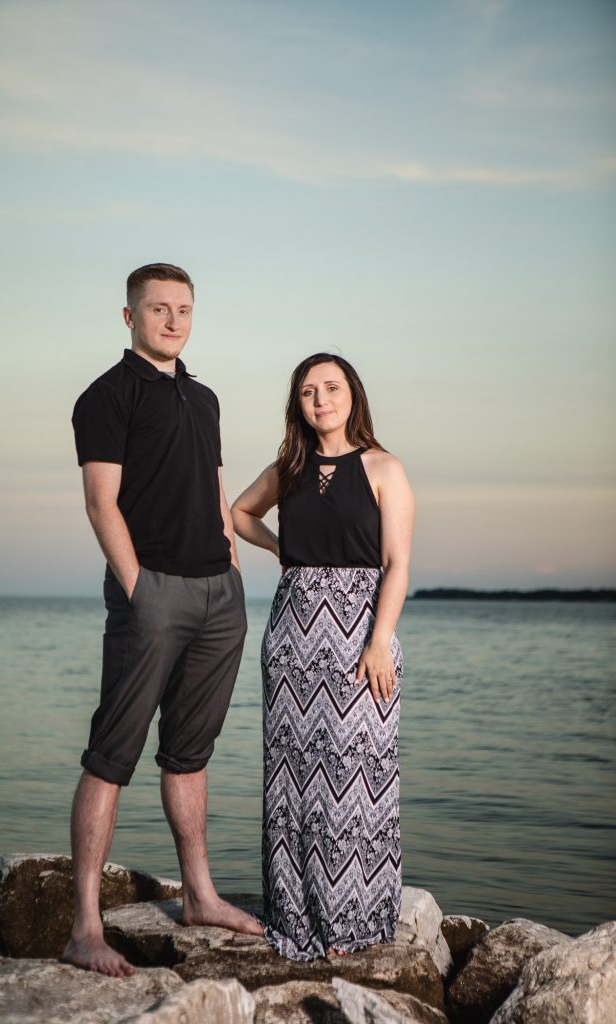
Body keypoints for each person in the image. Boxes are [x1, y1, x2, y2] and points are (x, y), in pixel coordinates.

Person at [63, 262, 262, 978]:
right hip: (151, 595)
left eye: (183, 309)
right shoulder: (106, 396)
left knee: (191, 751)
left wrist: (232, 568)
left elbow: (213, 489)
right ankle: (85, 928)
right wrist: (138, 586)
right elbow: (100, 502)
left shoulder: (202, 399)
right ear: (129, 317)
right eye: (158, 310)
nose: (174, 321)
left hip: (217, 597)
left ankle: (200, 896)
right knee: (112, 752)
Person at [231, 352, 415, 961]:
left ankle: (354, 919)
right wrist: (285, 548)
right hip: (291, 635)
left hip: (362, 631)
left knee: (355, 773)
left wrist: (379, 639)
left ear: (353, 395)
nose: (321, 400)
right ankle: (295, 913)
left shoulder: (385, 467)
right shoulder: (289, 467)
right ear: (298, 404)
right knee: (290, 779)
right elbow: (238, 514)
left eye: (331, 388)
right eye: (309, 392)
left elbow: (398, 566)